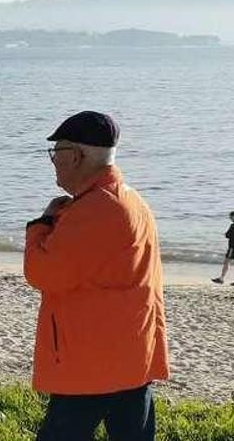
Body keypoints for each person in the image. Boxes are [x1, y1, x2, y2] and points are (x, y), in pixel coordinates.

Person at [25, 111, 169, 441]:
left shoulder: (95, 209)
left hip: (92, 363)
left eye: (56, 152)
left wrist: (41, 225)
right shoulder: (130, 200)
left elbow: (41, 272)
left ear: (77, 155)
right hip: (130, 356)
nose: (53, 161)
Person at [212, 211, 234, 286]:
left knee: (227, 262)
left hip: (233, 246)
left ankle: (222, 278)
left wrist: (228, 235)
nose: (230, 218)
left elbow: (228, 235)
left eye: (231, 216)